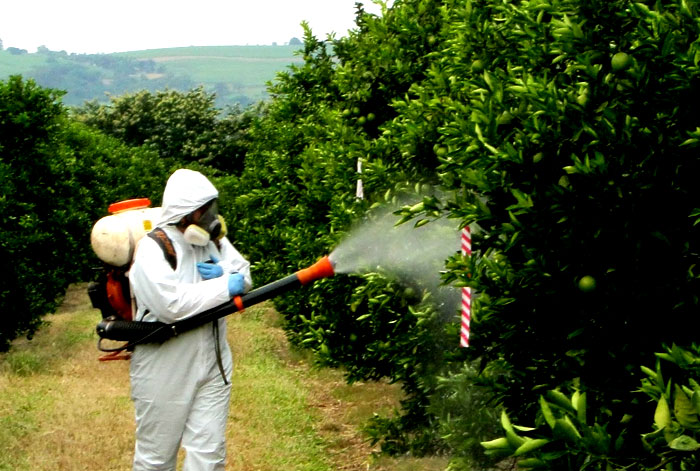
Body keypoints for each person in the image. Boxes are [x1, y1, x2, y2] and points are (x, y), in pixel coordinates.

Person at [128, 169, 252, 471]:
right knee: (156, 458)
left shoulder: (215, 243)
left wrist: (228, 273)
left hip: (214, 360)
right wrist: (225, 286)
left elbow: (245, 275)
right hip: (165, 362)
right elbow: (171, 305)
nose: (210, 216)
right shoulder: (153, 248)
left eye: (212, 206)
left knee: (209, 454)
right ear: (184, 212)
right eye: (203, 209)